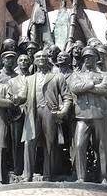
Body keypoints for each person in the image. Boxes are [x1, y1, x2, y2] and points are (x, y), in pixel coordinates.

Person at [17, 50, 72, 181]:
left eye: (44, 56)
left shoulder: (57, 77)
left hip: (50, 113)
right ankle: (27, 175)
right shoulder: (29, 79)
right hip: (33, 113)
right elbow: (22, 96)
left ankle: (48, 175)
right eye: (38, 56)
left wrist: (63, 111)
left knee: (50, 143)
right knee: (29, 144)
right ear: (34, 60)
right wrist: (15, 98)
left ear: (48, 59)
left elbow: (67, 97)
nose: (41, 58)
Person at [70, 46, 107, 183]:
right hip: (83, 115)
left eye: (90, 57)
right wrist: (92, 84)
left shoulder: (105, 75)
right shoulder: (77, 75)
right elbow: (74, 88)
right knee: (79, 145)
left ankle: (103, 177)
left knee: (102, 148)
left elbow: (105, 89)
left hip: (100, 114)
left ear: (96, 58)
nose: (87, 59)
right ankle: (81, 177)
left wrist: (86, 87)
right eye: (85, 57)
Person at [6, 54, 31, 177]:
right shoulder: (12, 80)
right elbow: (8, 98)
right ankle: (17, 169)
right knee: (16, 143)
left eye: (26, 60)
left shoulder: (33, 78)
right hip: (16, 115)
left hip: (31, 114)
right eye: (21, 60)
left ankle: (30, 169)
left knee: (31, 142)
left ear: (30, 62)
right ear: (17, 63)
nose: (23, 62)